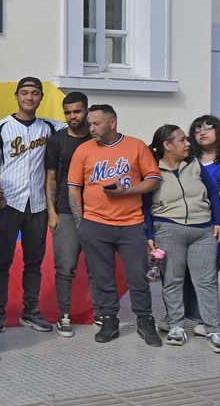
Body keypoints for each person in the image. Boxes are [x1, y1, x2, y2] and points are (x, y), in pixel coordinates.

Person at [68, 104, 163, 346]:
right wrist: (81, 224)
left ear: (113, 123)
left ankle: (145, 320)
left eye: (96, 123)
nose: (91, 128)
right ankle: (109, 320)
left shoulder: (136, 146)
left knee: (138, 277)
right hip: (95, 224)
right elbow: (74, 188)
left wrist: (128, 191)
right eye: (90, 124)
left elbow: (154, 179)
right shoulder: (83, 150)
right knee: (103, 277)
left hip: (131, 223)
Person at [0, 76, 64, 333]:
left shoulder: (50, 128)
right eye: (25, 92)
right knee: (2, 260)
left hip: (38, 204)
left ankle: (30, 310)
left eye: (35, 93)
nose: (30, 97)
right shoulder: (2, 127)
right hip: (9, 203)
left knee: (34, 261)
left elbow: (80, 127)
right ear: (16, 96)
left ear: (41, 98)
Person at [144, 124, 220, 353]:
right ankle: (176, 326)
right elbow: (144, 204)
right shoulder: (153, 169)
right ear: (167, 145)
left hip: (203, 230)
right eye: (182, 140)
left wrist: (219, 221)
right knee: (173, 280)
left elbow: (213, 193)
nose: (188, 143)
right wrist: (149, 234)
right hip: (168, 228)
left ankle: (214, 330)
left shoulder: (194, 164)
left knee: (207, 281)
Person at [166, 115, 220, 335]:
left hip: (211, 224)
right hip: (181, 224)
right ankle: (175, 317)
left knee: (206, 274)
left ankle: (203, 320)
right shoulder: (187, 159)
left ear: (219, 132)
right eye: (197, 131)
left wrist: (193, 196)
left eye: (207, 128)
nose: (201, 133)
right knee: (177, 273)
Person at [44, 91, 96, 337]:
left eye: (77, 111)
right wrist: (52, 212)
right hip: (65, 210)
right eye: (67, 112)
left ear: (87, 111)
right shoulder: (58, 140)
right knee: (65, 267)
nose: (72, 116)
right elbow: (51, 177)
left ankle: (103, 313)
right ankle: (64, 315)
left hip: (97, 212)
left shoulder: (98, 138)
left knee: (98, 266)